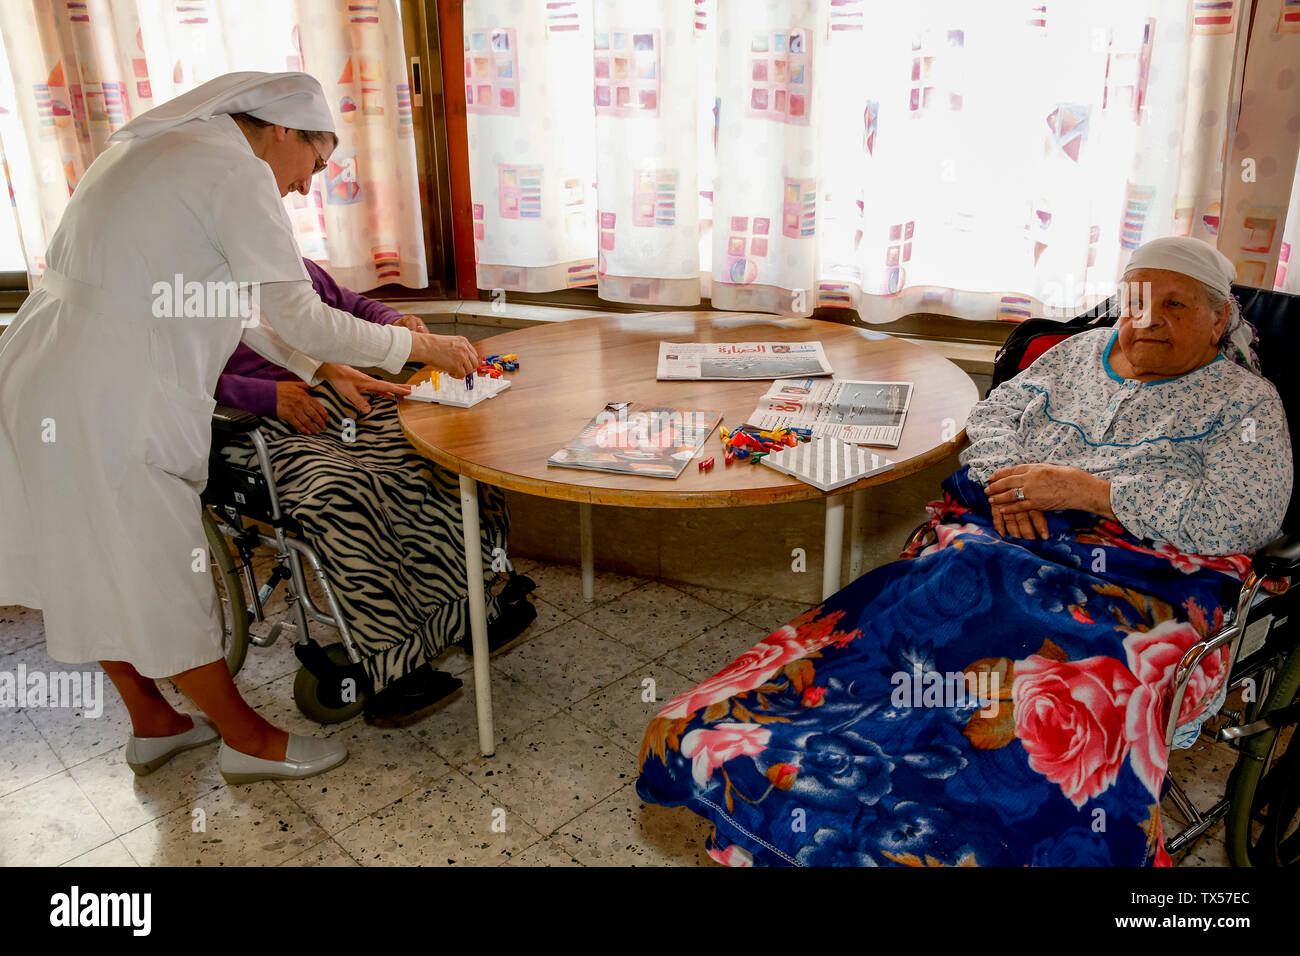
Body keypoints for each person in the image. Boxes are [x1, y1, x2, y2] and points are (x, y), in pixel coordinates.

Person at [636, 236, 1294, 866]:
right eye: (1137, 301)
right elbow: (994, 418)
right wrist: (1009, 488)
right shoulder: (1076, 355)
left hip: (1140, 581)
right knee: (924, 603)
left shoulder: (1248, 404)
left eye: (1174, 305)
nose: (1148, 320)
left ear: (1219, 320)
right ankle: (815, 763)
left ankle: (965, 829)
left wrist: (1091, 492)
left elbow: (1244, 517)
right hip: (1001, 537)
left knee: (1056, 682)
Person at [0, 72, 479, 784]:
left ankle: (154, 723)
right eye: (313, 166)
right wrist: (421, 348)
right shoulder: (234, 169)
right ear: (283, 131)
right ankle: (247, 741)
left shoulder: (164, 148)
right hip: (108, 394)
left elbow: (240, 307)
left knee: (90, 565)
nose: (306, 188)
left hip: (40, 373)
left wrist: (321, 368)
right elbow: (298, 313)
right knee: (160, 573)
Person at [214, 258, 535, 723]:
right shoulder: (183, 286)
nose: (300, 193)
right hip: (257, 426)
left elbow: (347, 304)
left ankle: (474, 606)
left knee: (444, 449)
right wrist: (266, 395)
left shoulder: (283, 263)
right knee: (344, 493)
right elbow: (176, 378)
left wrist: (395, 321)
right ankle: (395, 666)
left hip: (339, 393)